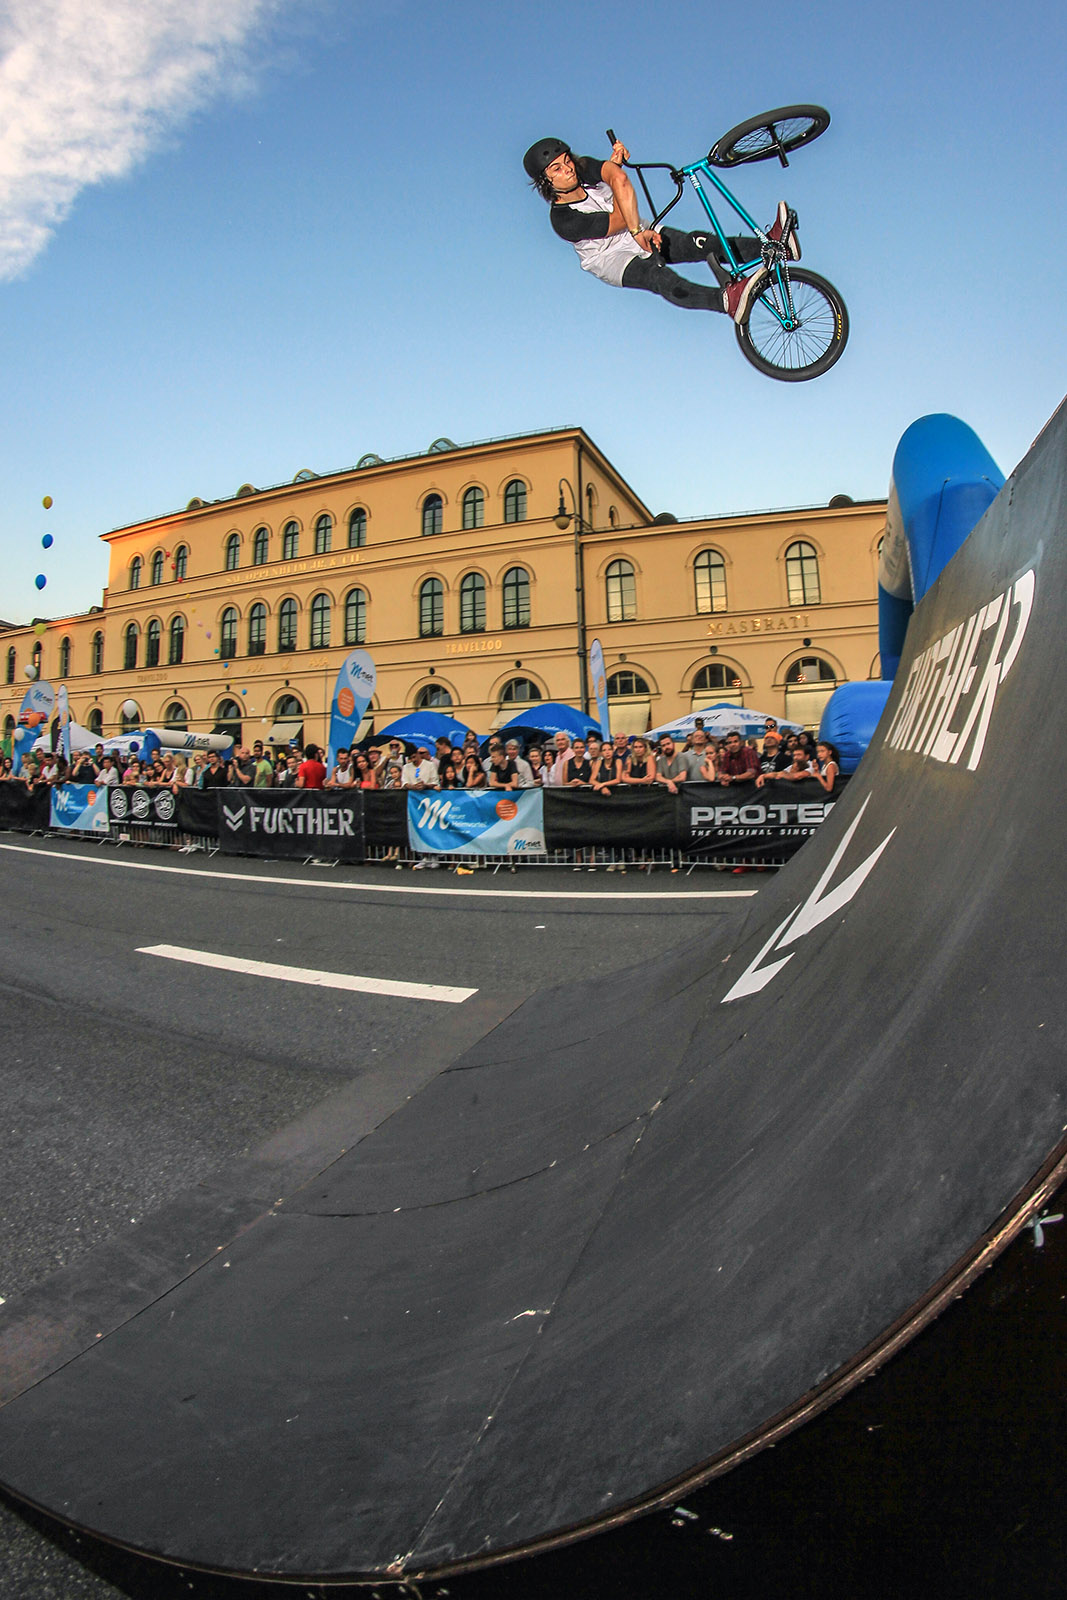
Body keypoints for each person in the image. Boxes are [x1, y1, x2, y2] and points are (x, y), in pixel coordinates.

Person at [523, 134, 799, 326]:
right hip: (611, 257)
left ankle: (775, 247)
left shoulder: (581, 167)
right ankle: (726, 301)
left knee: (701, 242)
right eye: (556, 169)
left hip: (639, 228)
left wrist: (612, 167)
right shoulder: (563, 220)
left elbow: (617, 178)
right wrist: (634, 227)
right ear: (545, 182)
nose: (568, 169)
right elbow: (619, 216)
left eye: (567, 160)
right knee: (658, 277)